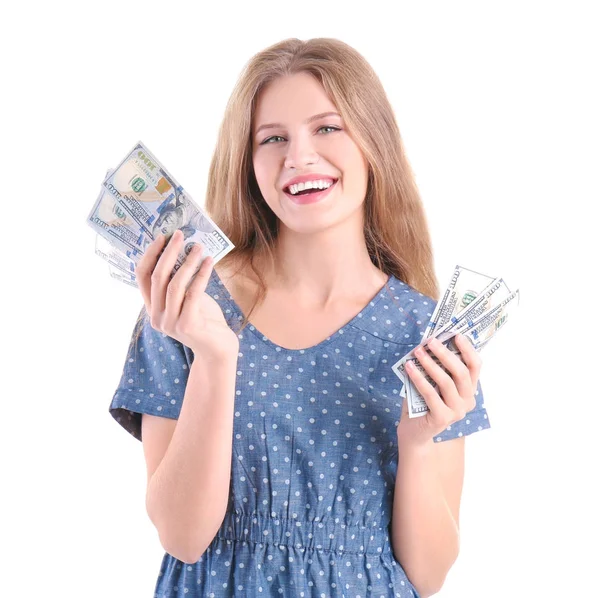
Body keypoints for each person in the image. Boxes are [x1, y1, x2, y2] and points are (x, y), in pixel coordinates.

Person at [108, 37, 490, 598]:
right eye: (273, 139)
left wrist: (417, 442)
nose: (299, 156)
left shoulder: (428, 334)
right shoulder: (187, 308)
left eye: (327, 128)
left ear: (373, 143)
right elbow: (183, 539)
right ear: (249, 161)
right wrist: (216, 356)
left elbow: (426, 577)